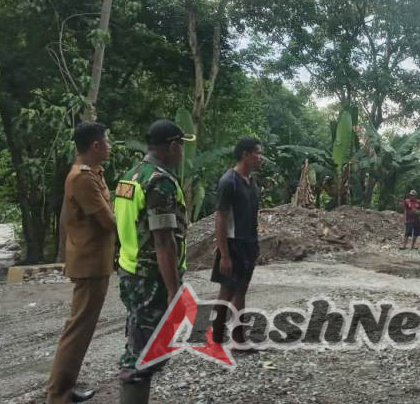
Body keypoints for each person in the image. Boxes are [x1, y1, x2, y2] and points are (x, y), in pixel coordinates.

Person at [114, 120, 194, 404]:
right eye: (181, 147)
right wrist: (173, 289)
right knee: (143, 354)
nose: (182, 153)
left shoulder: (130, 176)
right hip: (150, 277)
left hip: (129, 269)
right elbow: (163, 240)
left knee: (141, 340)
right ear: (173, 146)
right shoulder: (159, 182)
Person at [47, 122, 114, 404]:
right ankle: (58, 393)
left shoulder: (93, 173)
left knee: (82, 329)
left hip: (95, 262)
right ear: (95, 146)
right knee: (77, 329)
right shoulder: (82, 178)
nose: (109, 146)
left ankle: (66, 387)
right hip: (89, 264)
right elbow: (108, 220)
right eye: (106, 141)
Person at [211, 137, 263, 348]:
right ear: (245, 154)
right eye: (258, 153)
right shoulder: (228, 182)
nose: (261, 158)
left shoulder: (251, 181)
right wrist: (224, 254)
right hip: (233, 244)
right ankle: (215, 336)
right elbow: (221, 218)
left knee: (241, 289)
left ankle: (238, 337)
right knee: (227, 290)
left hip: (249, 243)